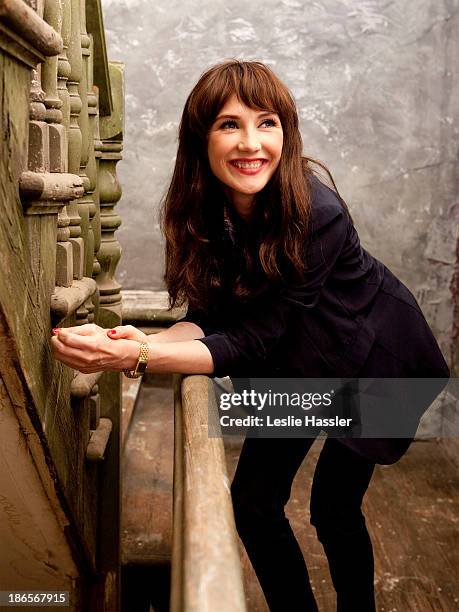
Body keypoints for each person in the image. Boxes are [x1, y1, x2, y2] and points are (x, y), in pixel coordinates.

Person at [51, 60, 449, 612]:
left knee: (334, 508)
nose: (251, 143)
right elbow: (212, 317)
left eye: (267, 123)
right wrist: (135, 341)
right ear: (201, 139)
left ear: (287, 133)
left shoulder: (318, 213)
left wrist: (137, 358)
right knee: (256, 503)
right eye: (228, 124)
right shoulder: (208, 210)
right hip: (304, 361)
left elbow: (254, 339)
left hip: (377, 363)